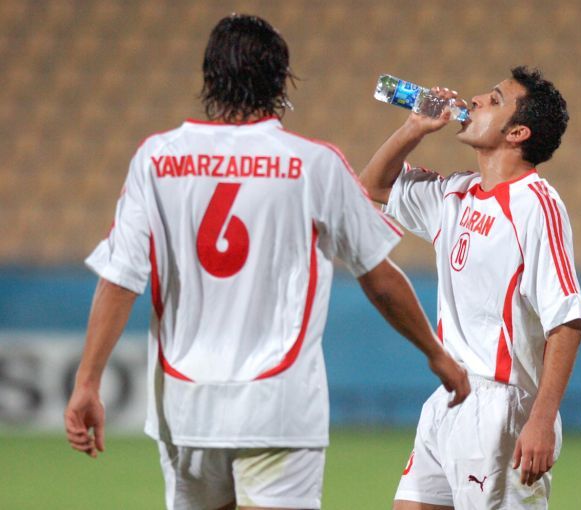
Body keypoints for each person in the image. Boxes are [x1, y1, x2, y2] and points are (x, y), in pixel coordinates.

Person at [64, 14, 469, 510]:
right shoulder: (314, 164)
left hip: (186, 407)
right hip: (278, 406)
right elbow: (379, 278)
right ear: (281, 82)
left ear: (210, 77)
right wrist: (436, 354)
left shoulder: (157, 159)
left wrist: (87, 382)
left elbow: (120, 281)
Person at [360, 67, 581, 509]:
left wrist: (542, 419)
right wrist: (414, 128)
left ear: (517, 133)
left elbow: (567, 319)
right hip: (450, 398)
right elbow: (374, 185)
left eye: (495, 99)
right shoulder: (457, 192)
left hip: (501, 410)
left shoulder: (537, 206)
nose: (477, 100)